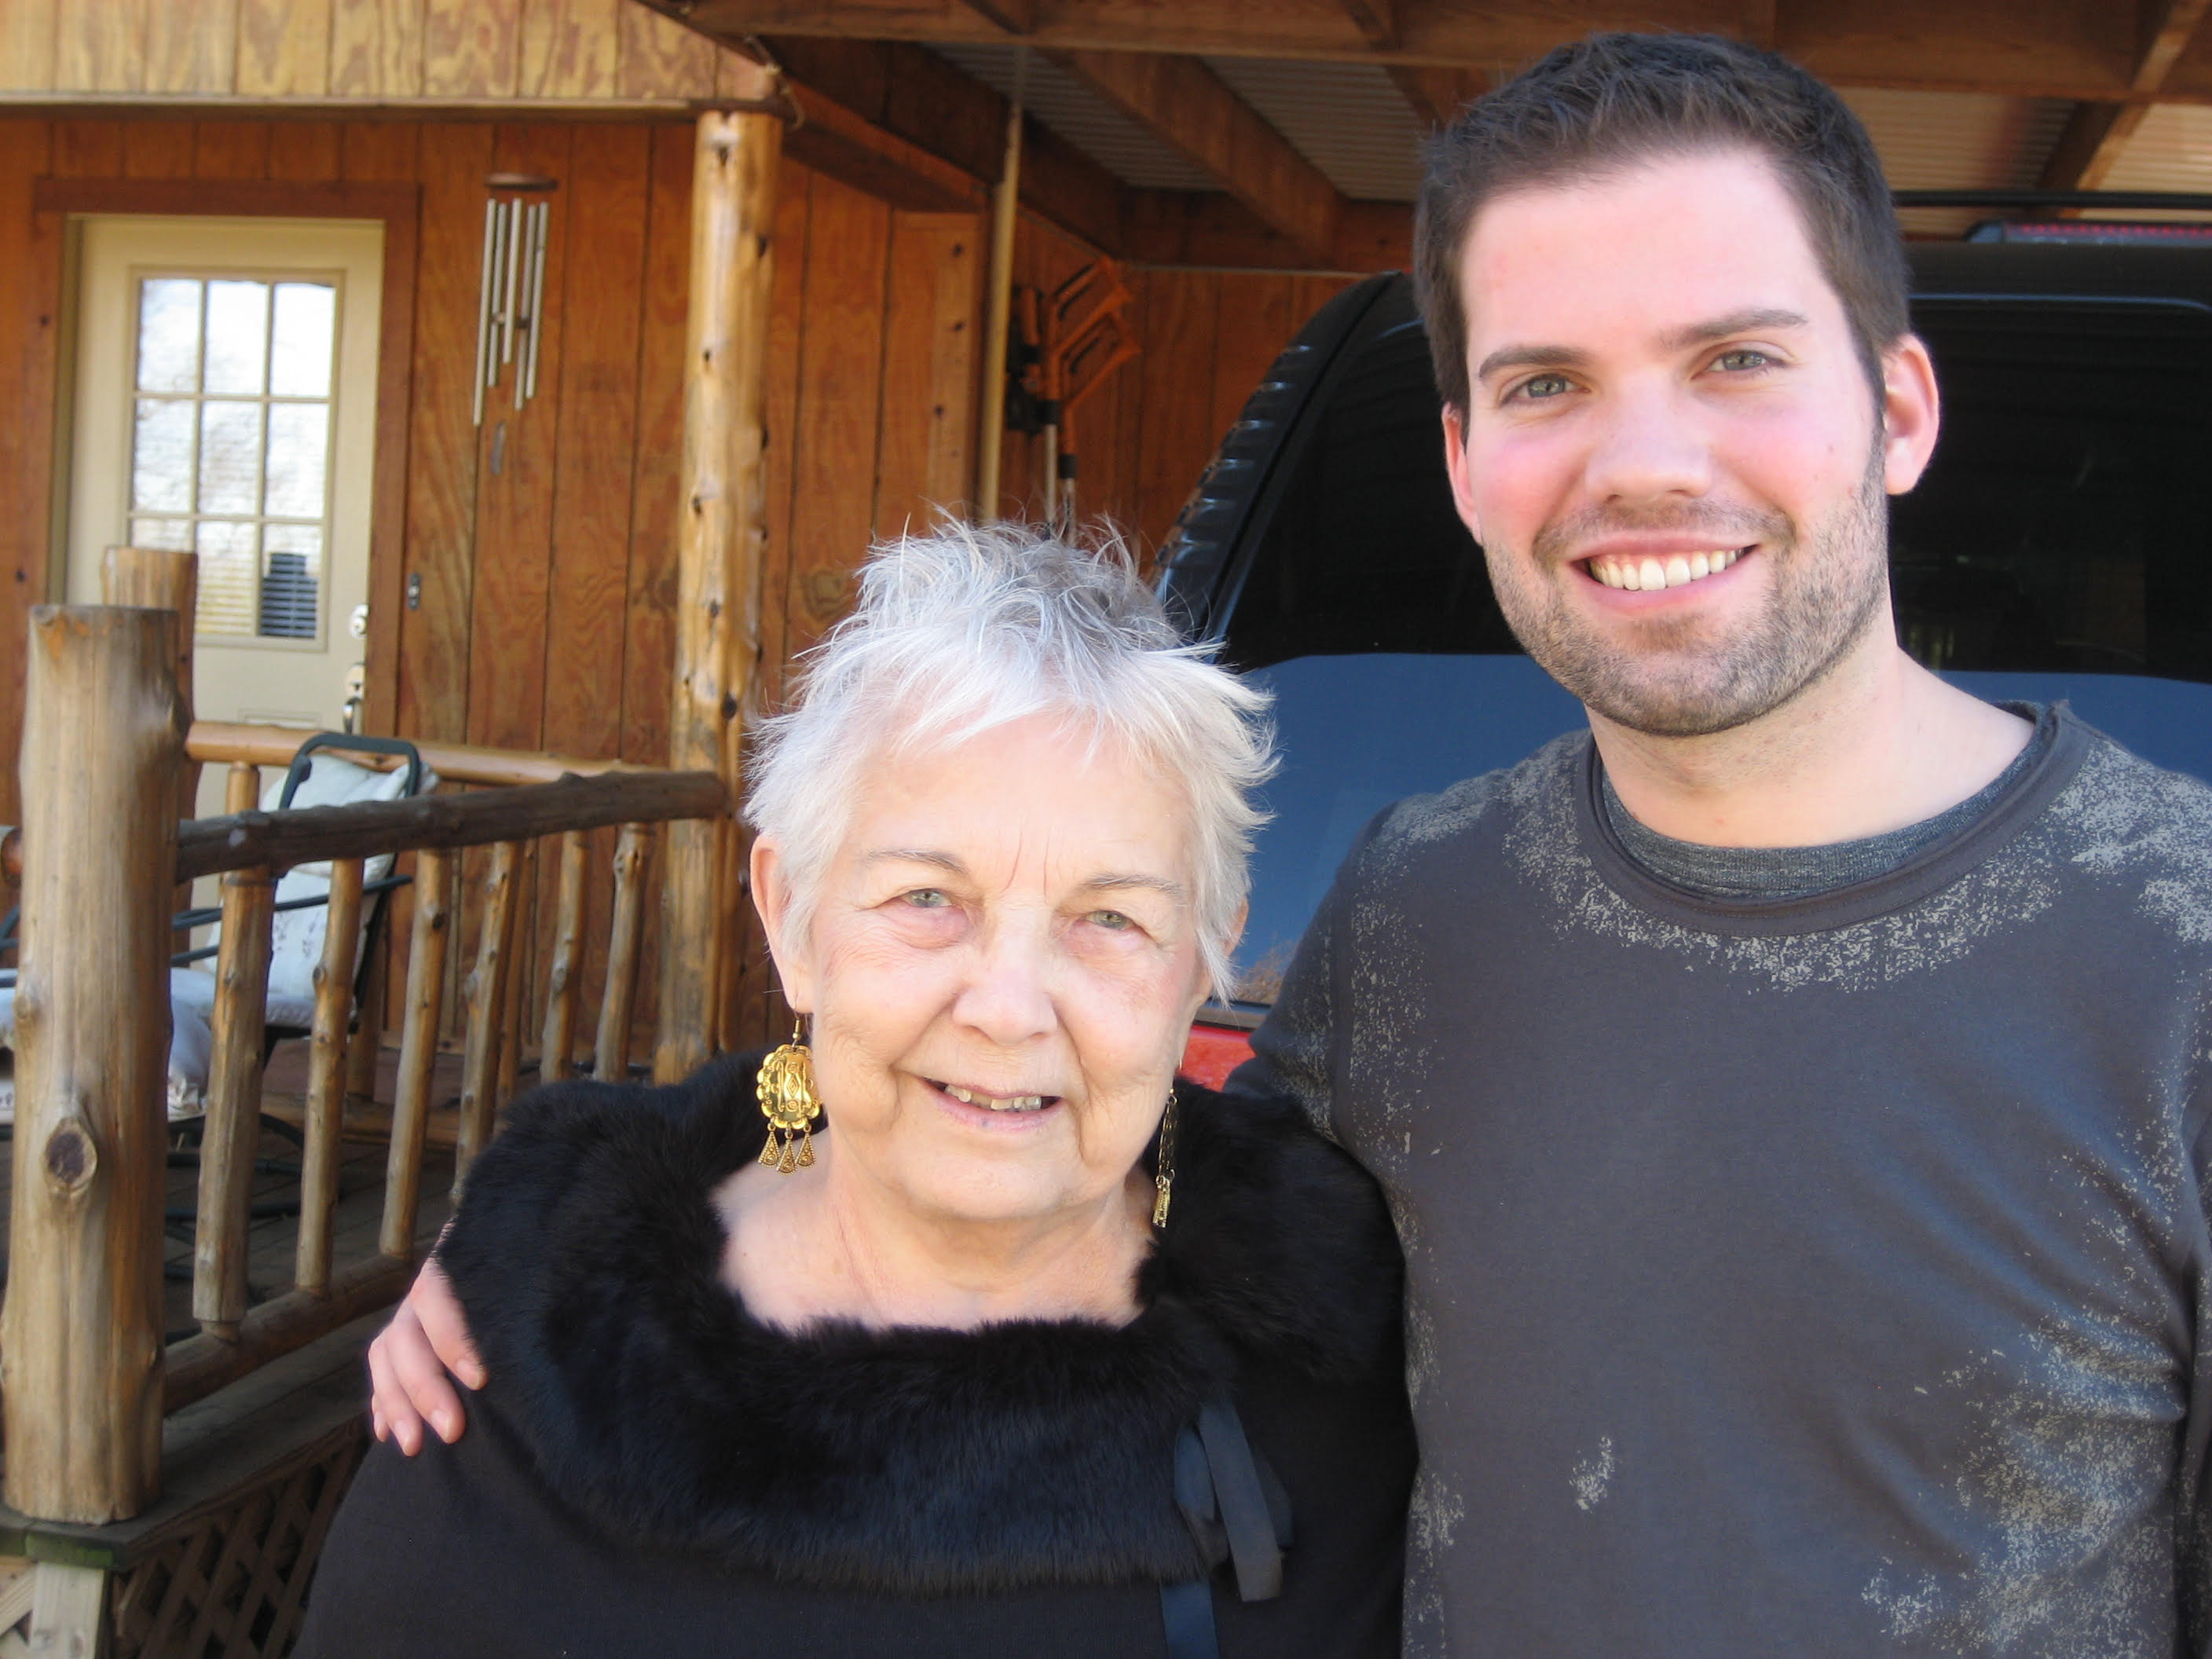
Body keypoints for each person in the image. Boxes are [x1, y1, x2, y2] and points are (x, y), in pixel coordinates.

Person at [368, 30, 2212, 1657]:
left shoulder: (2180, 963)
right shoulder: (1420, 910)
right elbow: (1052, 1131)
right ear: (1469, 459)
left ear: (1894, 410)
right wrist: (568, 1228)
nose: (1643, 462)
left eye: (1735, 357)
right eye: (1549, 382)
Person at [297, 526, 1414, 1659]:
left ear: (1203, 962)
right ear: (790, 918)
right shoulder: (525, 1354)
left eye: (1111, 918)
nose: (1010, 1007)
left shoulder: (1372, 1350)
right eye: (928, 897)